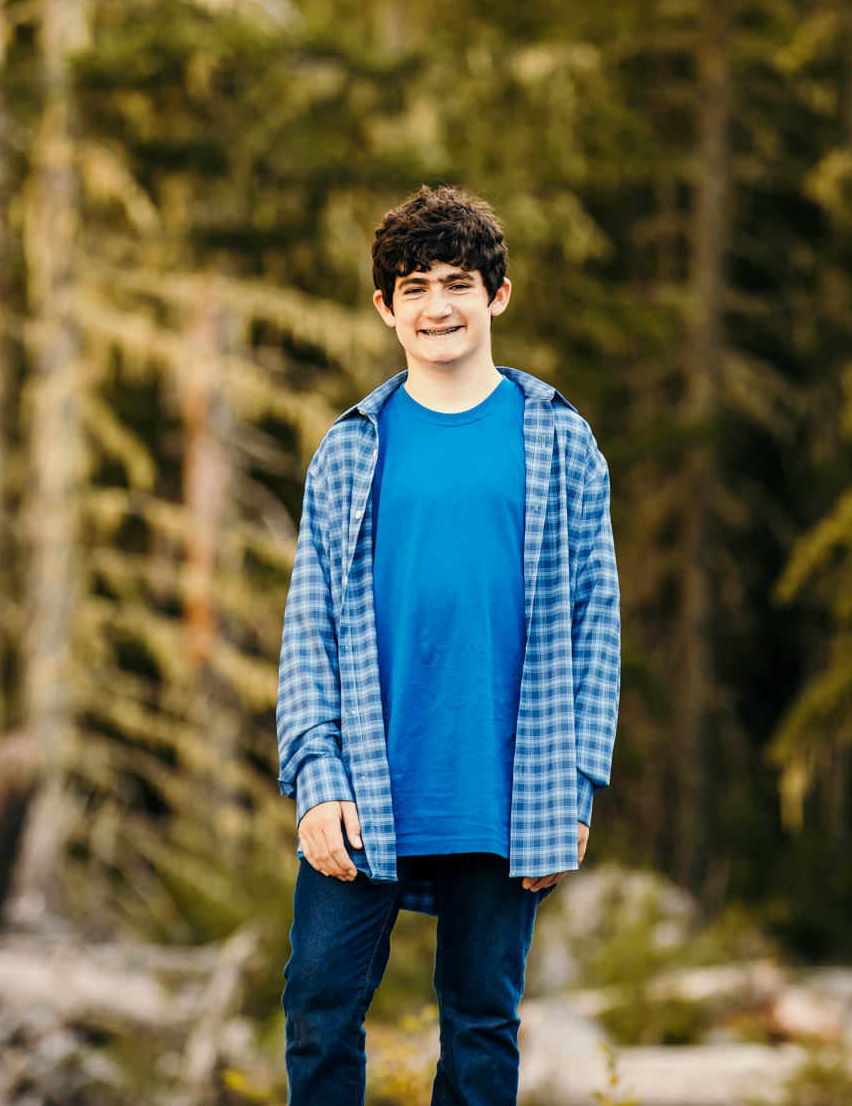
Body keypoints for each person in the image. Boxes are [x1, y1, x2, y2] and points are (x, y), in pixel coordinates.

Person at [274, 185, 621, 1106]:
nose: (438, 306)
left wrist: (575, 788)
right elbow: (307, 623)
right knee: (318, 1008)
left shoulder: (561, 441)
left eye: (458, 283)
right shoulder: (350, 448)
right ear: (385, 306)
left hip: (509, 786)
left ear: (497, 295)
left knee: (480, 1025)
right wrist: (315, 774)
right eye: (414, 286)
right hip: (364, 786)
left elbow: (599, 621)